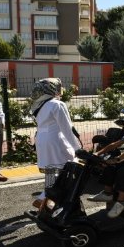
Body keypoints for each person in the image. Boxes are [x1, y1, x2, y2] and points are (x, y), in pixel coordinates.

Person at [29, 78, 81, 208]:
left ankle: (46, 202)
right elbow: (66, 128)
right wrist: (77, 148)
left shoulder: (39, 104)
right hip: (55, 140)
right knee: (67, 167)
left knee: (51, 171)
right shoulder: (57, 104)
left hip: (41, 140)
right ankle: (44, 198)